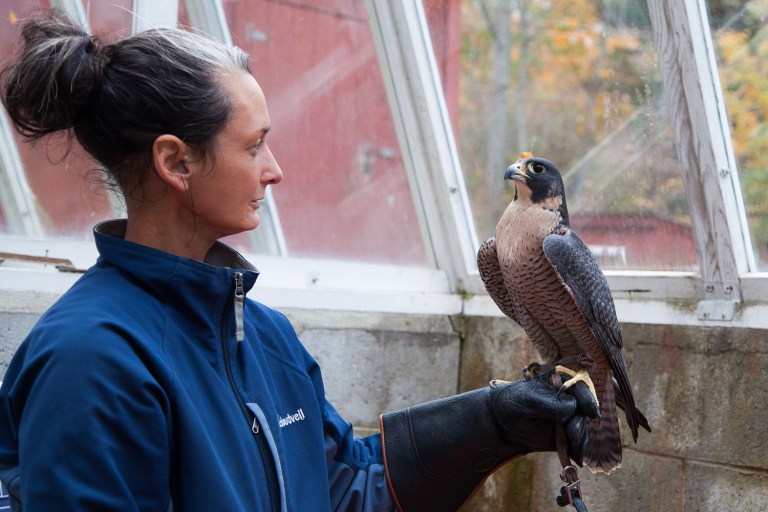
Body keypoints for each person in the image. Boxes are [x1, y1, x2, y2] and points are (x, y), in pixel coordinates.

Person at [0, 9, 598, 512]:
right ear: (176, 162)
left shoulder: (265, 336)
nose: (274, 169)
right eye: (254, 144)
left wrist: (493, 422)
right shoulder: (90, 362)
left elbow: (343, 488)